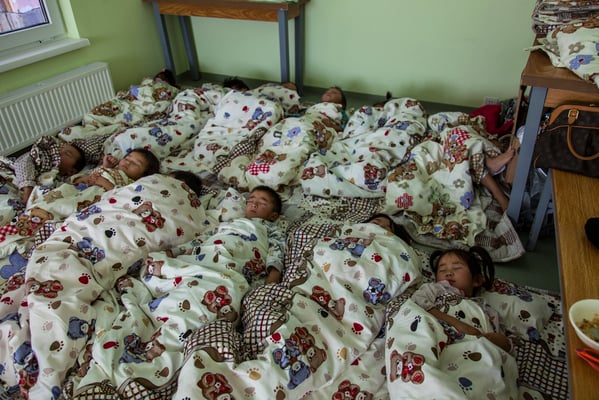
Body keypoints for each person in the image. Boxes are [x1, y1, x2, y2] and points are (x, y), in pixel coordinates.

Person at [168, 185, 285, 285]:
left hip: (236, 262)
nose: (254, 204)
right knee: (178, 268)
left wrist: (274, 274)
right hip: (207, 253)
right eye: (251, 200)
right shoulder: (230, 222)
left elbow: (277, 248)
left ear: (273, 216)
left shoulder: (271, 228)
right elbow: (203, 238)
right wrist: (176, 251)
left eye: (262, 203)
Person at [412, 246, 512, 353]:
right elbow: (417, 301)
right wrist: (459, 325)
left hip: (479, 351)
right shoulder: (436, 289)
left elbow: (503, 342)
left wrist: (498, 341)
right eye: (442, 270)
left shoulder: (486, 310)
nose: (448, 273)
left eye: (457, 268)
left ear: (477, 280)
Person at [1, 136, 87, 204]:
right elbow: (23, 162)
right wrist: (28, 190)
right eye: (61, 148)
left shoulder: (60, 180)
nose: (61, 151)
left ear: (71, 171)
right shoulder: (43, 157)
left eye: (68, 154)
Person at [72, 148, 160, 192]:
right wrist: (105, 166)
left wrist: (104, 183)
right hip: (82, 185)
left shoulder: (131, 183)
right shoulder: (111, 169)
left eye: (135, 163)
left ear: (143, 175)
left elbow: (121, 195)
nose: (128, 162)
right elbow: (90, 173)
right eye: (127, 158)